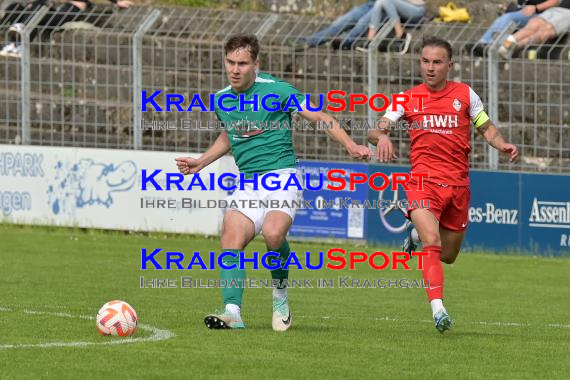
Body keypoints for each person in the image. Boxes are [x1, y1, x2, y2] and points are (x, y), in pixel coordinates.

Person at [176, 34, 372, 331]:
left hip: (282, 177)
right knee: (231, 236)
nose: (235, 69)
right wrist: (201, 162)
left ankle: (280, 296)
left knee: (273, 235)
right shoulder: (221, 98)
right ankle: (232, 312)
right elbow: (230, 133)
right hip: (248, 183)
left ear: (256, 63)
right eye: (230, 62)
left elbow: (321, 117)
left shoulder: (278, 90)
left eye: (242, 63)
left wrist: (350, 144)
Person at [368, 36, 518, 333]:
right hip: (423, 182)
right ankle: (438, 309)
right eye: (425, 61)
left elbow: (486, 126)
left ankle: (414, 236)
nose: (430, 68)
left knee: (448, 255)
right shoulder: (406, 98)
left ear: (450, 65)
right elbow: (377, 129)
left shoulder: (465, 95)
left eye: (437, 62)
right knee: (432, 243)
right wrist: (382, 137)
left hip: (458, 186)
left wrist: (501, 145)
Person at [0, 0, 132, 58]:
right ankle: (14, 43)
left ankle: (21, 43)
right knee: (16, 8)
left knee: (38, 13)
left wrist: (116, 1)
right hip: (52, 8)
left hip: (71, 9)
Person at [465, 0, 556, 57]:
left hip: (542, 15)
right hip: (523, 12)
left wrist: (536, 8)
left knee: (508, 18)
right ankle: (490, 46)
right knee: (507, 17)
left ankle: (486, 43)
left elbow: (556, 1)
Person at [292, 0, 376, 51]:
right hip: (370, 4)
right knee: (342, 21)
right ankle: (310, 41)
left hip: (384, 6)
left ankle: (345, 42)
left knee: (363, 22)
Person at [498, 0, 570, 58]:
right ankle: (506, 44)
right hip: (555, 9)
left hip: (567, 14)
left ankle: (514, 47)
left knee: (547, 29)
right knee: (534, 23)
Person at [360, 0, 426, 54]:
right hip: (402, 7)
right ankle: (370, 40)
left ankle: (401, 35)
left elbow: (419, 2)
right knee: (379, 2)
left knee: (386, 1)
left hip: (417, 9)